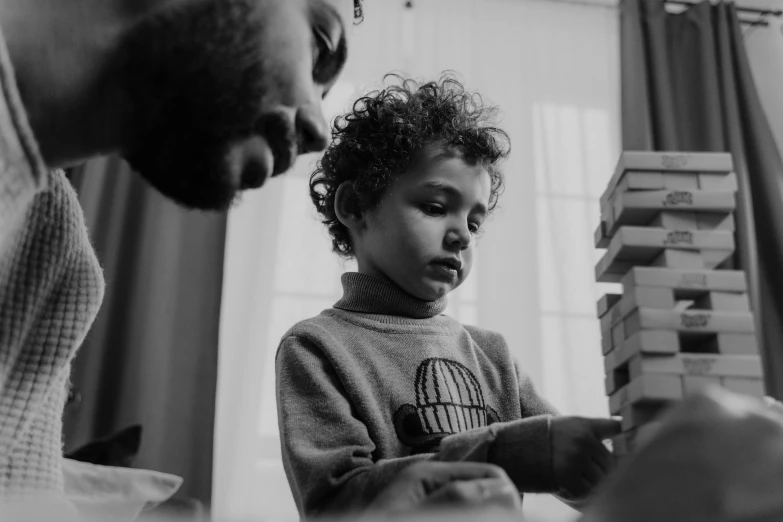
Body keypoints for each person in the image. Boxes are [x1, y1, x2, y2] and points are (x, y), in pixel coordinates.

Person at [275, 74, 621, 519]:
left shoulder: (493, 353)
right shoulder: (315, 347)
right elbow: (336, 503)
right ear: (355, 207)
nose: (461, 235)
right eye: (436, 207)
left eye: (475, 223)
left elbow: (582, 471)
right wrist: (503, 455)